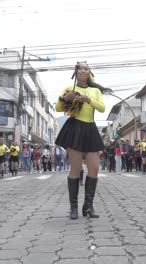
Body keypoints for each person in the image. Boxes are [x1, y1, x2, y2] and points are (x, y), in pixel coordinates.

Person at [55, 61, 108, 219]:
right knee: (76, 168)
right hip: (74, 129)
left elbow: (102, 108)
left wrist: (88, 100)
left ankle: (88, 206)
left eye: (86, 68)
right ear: (75, 72)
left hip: (91, 129)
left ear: (89, 72)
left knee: (94, 167)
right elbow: (58, 108)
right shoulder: (69, 88)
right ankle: (73, 208)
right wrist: (67, 98)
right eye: (80, 68)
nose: (83, 70)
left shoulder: (95, 90)